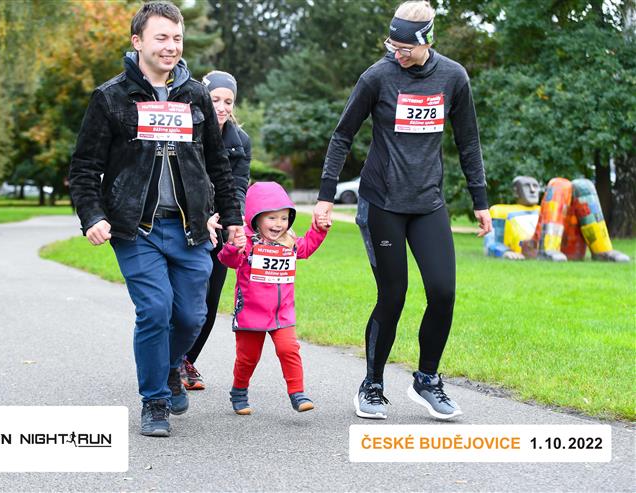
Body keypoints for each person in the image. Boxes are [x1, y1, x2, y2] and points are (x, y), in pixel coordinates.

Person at [68, 1, 244, 438]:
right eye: (161, 37)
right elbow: (85, 167)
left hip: (190, 228)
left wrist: (233, 217)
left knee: (191, 315)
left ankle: (168, 368)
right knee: (155, 310)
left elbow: (217, 164)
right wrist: (92, 215)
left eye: (177, 38)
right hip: (136, 228)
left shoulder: (196, 95)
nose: (171, 46)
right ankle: (155, 401)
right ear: (138, 41)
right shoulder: (111, 97)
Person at [312, 0, 492, 421]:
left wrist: (481, 201)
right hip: (383, 203)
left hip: (428, 203)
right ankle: (372, 384)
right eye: (392, 45)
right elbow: (342, 136)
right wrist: (325, 196)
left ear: (427, 40)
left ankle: (427, 379)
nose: (398, 54)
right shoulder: (377, 77)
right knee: (393, 295)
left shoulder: (453, 77)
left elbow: (468, 141)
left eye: (406, 47)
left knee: (443, 293)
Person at [218, 182, 329, 415]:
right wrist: (232, 247)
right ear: (256, 218)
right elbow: (229, 262)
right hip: (250, 312)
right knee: (248, 358)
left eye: (284, 218)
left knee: (289, 349)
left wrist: (319, 229)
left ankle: (297, 393)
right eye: (271, 218)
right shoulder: (246, 241)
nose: (279, 224)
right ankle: (239, 391)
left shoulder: (289, 242)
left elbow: (307, 247)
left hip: (282, 312)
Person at [179, 70, 251, 391]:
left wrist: (233, 220)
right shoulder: (187, 131)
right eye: (215, 99)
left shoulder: (240, 141)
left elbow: (237, 185)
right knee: (184, 300)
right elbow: (181, 180)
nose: (221, 107)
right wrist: (202, 216)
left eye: (228, 101)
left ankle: (186, 361)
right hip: (185, 223)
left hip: (220, 227)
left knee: (210, 300)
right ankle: (169, 359)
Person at [486, 176, 630, 262]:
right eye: (527, 186)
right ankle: (547, 249)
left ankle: (602, 251)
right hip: (531, 248)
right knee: (559, 184)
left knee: (584, 185)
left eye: (535, 186)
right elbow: (491, 243)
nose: (533, 190)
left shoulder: (547, 208)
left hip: (565, 245)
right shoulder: (501, 210)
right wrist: (505, 252)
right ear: (516, 191)